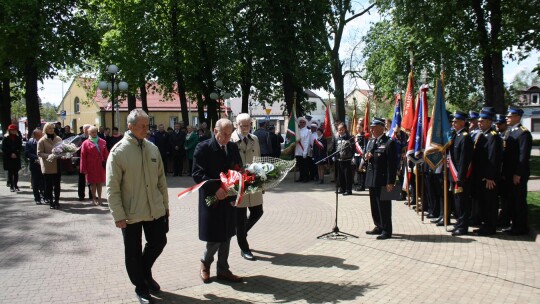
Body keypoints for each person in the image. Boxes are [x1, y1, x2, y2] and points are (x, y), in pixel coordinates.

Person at [107, 109, 169, 304]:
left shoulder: (153, 148)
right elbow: (112, 187)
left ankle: (144, 272)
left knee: (159, 241)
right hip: (130, 213)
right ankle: (141, 287)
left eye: (147, 125)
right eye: (142, 126)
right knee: (132, 252)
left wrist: (165, 206)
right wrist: (118, 215)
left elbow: (161, 180)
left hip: (154, 209)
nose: (146, 129)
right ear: (130, 126)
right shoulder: (119, 151)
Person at [192, 118, 243, 284]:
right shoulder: (203, 147)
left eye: (230, 134)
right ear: (215, 131)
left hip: (229, 197)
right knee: (215, 236)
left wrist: (241, 185)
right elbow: (197, 174)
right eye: (225, 134)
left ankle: (223, 269)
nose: (228, 138)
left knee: (227, 234)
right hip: (212, 198)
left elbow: (239, 169)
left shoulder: (233, 147)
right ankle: (205, 263)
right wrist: (215, 189)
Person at [231, 113, 264, 261]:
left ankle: (242, 232)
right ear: (235, 124)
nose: (245, 128)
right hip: (237, 185)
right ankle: (244, 248)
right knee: (239, 217)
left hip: (253, 181)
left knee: (258, 211)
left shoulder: (254, 139)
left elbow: (258, 160)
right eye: (242, 125)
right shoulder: (231, 140)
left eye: (248, 125)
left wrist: (262, 181)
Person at [364, 117, 397, 240]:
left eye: (374, 127)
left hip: (383, 179)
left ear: (381, 128)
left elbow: (392, 165)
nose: (371, 129)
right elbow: (366, 156)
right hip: (372, 178)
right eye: (371, 127)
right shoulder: (372, 142)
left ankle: (386, 230)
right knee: (374, 204)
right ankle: (378, 225)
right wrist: (366, 156)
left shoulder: (389, 142)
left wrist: (390, 182)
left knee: (384, 206)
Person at [471, 110, 503, 236]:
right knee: (483, 203)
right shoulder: (482, 135)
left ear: (489, 122)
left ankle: (490, 227)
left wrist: (490, 176)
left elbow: (493, 158)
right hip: (480, 176)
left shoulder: (493, 136)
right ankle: (484, 225)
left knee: (490, 203)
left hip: (488, 178)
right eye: (478, 121)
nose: (479, 123)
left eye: (482, 121)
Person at [502, 106, 532, 236]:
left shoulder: (523, 133)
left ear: (517, 117)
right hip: (509, 173)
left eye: (510, 116)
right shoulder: (510, 131)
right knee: (511, 200)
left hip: (517, 174)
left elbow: (523, 156)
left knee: (519, 201)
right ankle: (514, 225)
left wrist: (518, 173)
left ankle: (521, 227)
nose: (507, 118)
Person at [448, 111, 474, 236]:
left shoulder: (465, 137)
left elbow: (464, 160)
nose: (453, 123)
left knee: (462, 203)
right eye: (453, 121)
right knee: (457, 202)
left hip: (461, 176)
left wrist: (461, 177)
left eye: (456, 121)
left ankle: (463, 227)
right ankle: (459, 223)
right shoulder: (456, 136)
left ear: (463, 122)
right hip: (454, 175)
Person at [81, 126, 109, 206]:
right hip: (91, 166)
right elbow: (83, 156)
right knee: (93, 183)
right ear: (89, 133)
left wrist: (109, 164)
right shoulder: (85, 143)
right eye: (92, 132)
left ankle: (100, 199)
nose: (94, 133)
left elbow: (106, 154)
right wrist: (83, 168)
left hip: (100, 166)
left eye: (95, 132)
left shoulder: (103, 141)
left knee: (100, 183)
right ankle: (94, 199)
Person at [38, 122, 63, 209]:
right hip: (47, 165)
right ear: (46, 129)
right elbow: (39, 153)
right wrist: (48, 156)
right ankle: (51, 201)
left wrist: (63, 155)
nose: (51, 130)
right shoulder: (42, 140)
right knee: (48, 185)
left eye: (52, 128)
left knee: (57, 185)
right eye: (49, 128)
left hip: (57, 165)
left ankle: (57, 201)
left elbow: (62, 150)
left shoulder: (58, 139)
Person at [25, 128, 45, 204]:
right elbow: (27, 153)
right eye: (38, 135)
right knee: (35, 182)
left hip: (43, 165)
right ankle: (37, 198)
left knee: (43, 182)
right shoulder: (29, 143)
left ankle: (45, 196)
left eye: (41, 135)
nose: (40, 137)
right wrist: (37, 158)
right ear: (34, 135)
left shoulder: (44, 142)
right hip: (35, 165)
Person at [334, 123, 353, 196]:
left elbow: (353, 148)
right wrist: (334, 156)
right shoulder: (337, 138)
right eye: (339, 130)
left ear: (345, 129)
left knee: (347, 175)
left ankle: (348, 190)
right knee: (340, 175)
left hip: (347, 160)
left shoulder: (349, 138)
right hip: (339, 159)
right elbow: (335, 147)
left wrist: (352, 157)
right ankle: (342, 188)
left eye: (342, 129)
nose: (340, 131)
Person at [2, 124, 23, 192]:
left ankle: (16, 185)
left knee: (16, 172)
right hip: (8, 157)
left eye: (14, 130)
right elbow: (3, 148)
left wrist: (16, 153)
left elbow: (20, 147)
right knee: (10, 172)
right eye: (12, 130)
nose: (13, 131)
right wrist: (11, 153)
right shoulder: (5, 138)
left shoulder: (18, 138)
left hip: (16, 157)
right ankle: (11, 185)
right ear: (9, 130)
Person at [76, 124, 92, 201]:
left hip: (90, 162)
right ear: (83, 130)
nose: (88, 130)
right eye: (86, 129)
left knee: (91, 179)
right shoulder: (79, 138)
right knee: (81, 179)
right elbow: (76, 151)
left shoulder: (94, 138)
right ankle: (81, 195)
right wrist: (76, 163)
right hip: (81, 161)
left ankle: (91, 195)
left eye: (89, 129)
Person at [294, 117, 311, 182]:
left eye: (303, 122)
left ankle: (306, 177)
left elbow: (307, 142)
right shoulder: (297, 130)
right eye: (300, 122)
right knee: (300, 165)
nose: (301, 123)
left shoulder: (307, 131)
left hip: (304, 150)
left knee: (305, 165)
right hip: (298, 150)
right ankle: (301, 177)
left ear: (305, 123)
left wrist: (305, 151)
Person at [353, 121, 367, 191]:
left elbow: (365, 146)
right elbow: (354, 147)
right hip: (356, 155)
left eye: (360, 127)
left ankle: (362, 185)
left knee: (362, 170)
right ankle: (359, 184)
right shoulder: (355, 136)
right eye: (357, 127)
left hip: (362, 155)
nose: (358, 129)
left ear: (362, 128)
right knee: (358, 170)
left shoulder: (364, 136)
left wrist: (363, 156)